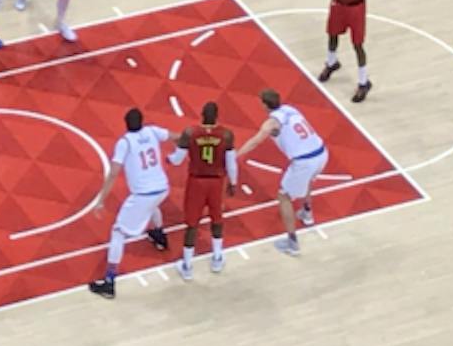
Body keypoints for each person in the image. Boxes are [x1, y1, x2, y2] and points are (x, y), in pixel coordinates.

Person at [88, 108, 179, 299]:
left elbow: (113, 173)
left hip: (143, 194)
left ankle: (109, 281)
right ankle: (159, 234)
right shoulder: (152, 131)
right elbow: (178, 136)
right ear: (142, 122)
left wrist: (101, 200)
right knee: (153, 205)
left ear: (126, 124)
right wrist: (180, 154)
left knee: (118, 231)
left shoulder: (125, 143)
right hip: (162, 188)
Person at [233, 88, 329, 256]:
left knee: (283, 196)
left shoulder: (271, 123)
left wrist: (236, 155)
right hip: (321, 153)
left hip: (304, 160)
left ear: (264, 105)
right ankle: (307, 213)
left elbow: (255, 141)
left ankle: (292, 242)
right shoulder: (291, 109)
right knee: (307, 181)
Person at [172, 102, 236, 280]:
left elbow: (177, 159)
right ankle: (217, 257)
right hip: (216, 182)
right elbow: (231, 162)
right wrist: (234, 182)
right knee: (217, 219)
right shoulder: (226, 135)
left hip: (196, 182)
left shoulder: (190, 133)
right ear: (217, 116)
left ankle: (187, 265)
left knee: (192, 224)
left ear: (201, 114)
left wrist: (168, 159)